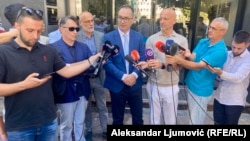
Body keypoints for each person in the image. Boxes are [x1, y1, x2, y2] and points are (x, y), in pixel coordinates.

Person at [0, 7, 100, 141]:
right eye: (30, 30)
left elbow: (67, 71)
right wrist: (24, 85)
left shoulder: (48, 50)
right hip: (20, 127)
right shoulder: (4, 52)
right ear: (17, 26)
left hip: (49, 122)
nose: (35, 36)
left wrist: (91, 60)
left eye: (39, 31)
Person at [166, 17, 229, 124]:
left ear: (223, 32)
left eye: (214, 28)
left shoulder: (221, 51)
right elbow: (194, 57)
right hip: (190, 85)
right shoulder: (203, 41)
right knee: (191, 117)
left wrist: (178, 60)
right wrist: (187, 55)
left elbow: (198, 66)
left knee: (195, 122)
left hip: (201, 90)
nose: (209, 30)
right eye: (210, 27)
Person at [138, 8, 188, 124]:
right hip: (153, 84)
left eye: (166, 18)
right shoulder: (152, 39)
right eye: (161, 18)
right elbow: (149, 62)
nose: (162, 21)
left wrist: (163, 64)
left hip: (171, 85)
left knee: (170, 120)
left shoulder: (181, 40)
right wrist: (147, 65)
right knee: (154, 119)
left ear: (174, 21)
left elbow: (180, 65)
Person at [50, 15, 92, 141]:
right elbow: (61, 70)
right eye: (71, 28)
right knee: (66, 125)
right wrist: (83, 65)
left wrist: (94, 63)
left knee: (80, 122)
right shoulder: (53, 48)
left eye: (77, 29)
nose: (75, 32)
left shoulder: (83, 47)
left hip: (83, 89)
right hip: (65, 91)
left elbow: (91, 67)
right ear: (61, 29)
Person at [102, 5, 145, 125]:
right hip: (116, 84)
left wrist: (134, 75)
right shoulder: (108, 37)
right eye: (120, 17)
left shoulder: (138, 37)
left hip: (135, 84)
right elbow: (106, 62)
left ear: (132, 19)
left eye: (126, 18)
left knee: (138, 119)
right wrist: (123, 77)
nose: (122, 21)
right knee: (117, 120)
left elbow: (143, 59)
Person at [207, 30, 250, 125]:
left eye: (239, 48)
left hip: (234, 101)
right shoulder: (226, 53)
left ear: (247, 45)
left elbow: (238, 77)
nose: (235, 50)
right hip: (219, 97)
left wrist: (221, 73)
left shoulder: (248, 60)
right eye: (233, 47)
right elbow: (219, 72)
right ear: (232, 40)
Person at [77, 11, 108, 139]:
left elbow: (106, 52)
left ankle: (106, 129)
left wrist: (105, 59)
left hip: (99, 77)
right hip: (83, 78)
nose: (90, 24)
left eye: (91, 21)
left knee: (102, 105)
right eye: (87, 21)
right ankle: (88, 129)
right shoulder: (76, 37)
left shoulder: (101, 36)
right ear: (80, 23)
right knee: (86, 107)